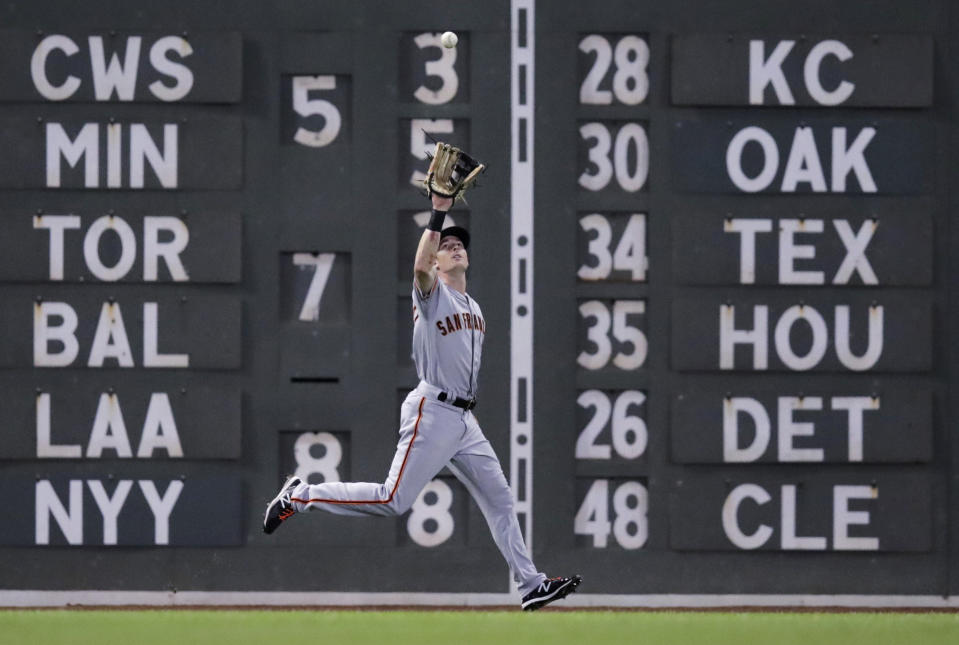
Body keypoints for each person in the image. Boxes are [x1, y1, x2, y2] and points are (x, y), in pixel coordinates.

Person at [263, 193, 581, 611]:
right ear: (435, 263)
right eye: (446, 247)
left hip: (464, 420)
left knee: (500, 500)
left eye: (458, 243)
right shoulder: (431, 296)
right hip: (432, 410)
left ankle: (530, 584)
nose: (455, 247)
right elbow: (418, 267)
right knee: (391, 499)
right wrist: (439, 212)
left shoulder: (475, 308)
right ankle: (299, 497)